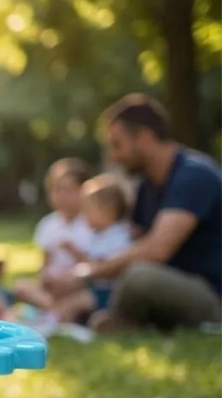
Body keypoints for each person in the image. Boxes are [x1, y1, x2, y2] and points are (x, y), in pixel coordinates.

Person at [56, 94, 221, 332]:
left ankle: (118, 319)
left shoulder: (194, 176)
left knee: (138, 276)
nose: (113, 156)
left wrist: (86, 274)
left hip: (211, 295)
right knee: (130, 275)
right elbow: (131, 246)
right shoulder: (147, 188)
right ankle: (113, 319)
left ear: (143, 138)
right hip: (168, 291)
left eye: (117, 145)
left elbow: (155, 250)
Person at [30, 175, 133, 337]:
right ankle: (57, 321)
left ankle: (53, 325)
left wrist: (74, 259)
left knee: (73, 304)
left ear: (107, 210)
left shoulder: (117, 236)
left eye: (89, 210)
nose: (84, 215)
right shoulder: (99, 235)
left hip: (109, 293)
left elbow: (102, 266)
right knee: (71, 299)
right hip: (96, 290)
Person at [12, 158, 94, 312]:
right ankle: (55, 308)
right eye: (56, 190)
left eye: (69, 190)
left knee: (87, 297)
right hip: (53, 288)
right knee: (21, 286)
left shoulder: (92, 223)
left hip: (79, 285)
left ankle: (54, 310)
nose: (62, 196)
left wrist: (74, 253)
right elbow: (44, 265)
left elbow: (95, 266)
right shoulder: (48, 224)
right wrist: (47, 279)